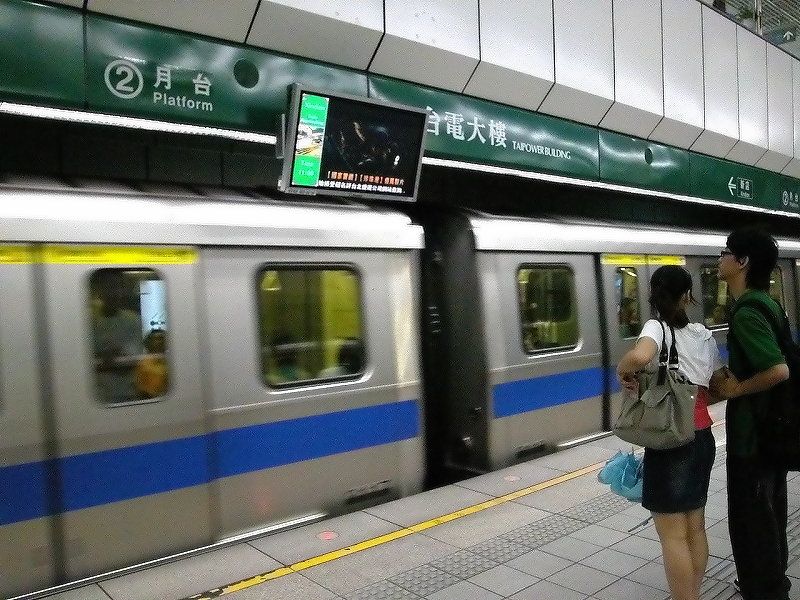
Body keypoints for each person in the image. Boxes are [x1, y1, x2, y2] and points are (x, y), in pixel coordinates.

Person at [617, 266, 725, 600]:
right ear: (688, 296)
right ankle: (693, 593)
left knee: (673, 536)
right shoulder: (702, 334)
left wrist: (623, 370)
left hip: (670, 439)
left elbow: (640, 356)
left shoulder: (656, 326)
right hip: (702, 437)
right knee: (695, 527)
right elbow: (719, 383)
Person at [713, 228, 790, 600]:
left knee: (752, 524)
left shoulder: (746, 312)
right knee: (770, 517)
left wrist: (736, 389)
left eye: (725, 252)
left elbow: (778, 370)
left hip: (753, 437)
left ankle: (766, 591)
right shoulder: (767, 302)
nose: (719, 258)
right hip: (771, 431)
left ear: (742, 262)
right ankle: (773, 584)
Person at [93, 272, 144, 403]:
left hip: (128, 393)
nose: (115, 293)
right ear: (100, 291)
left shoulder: (133, 320)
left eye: (118, 288)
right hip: (98, 395)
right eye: (109, 288)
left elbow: (133, 359)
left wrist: (111, 356)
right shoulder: (90, 322)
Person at [135, 328, 168, 399]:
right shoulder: (143, 364)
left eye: (162, 338)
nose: (160, 342)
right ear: (149, 342)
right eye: (157, 339)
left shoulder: (172, 361)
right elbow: (140, 389)